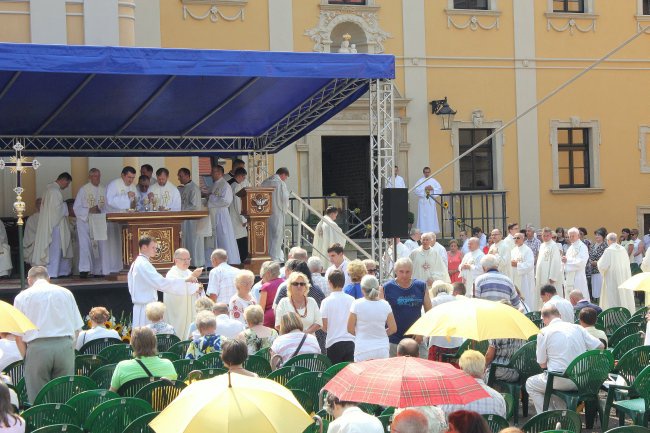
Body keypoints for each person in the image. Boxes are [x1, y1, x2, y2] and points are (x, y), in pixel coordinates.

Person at [13, 266, 83, 403]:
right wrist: (70, 348)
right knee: (65, 397)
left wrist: (26, 357)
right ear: (49, 279)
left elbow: (18, 336)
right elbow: (77, 329)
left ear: (29, 280)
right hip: (64, 346)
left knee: (38, 400)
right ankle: (64, 423)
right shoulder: (66, 293)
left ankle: (41, 423)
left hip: (37, 348)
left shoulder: (22, 297)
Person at [525, 305, 603, 413]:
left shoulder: (544, 332)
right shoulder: (577, 327)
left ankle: (549, 416)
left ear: (544, 318)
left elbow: (542, 364)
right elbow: (600, 346)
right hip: (583, 380)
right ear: (560, 315)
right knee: (551, 382)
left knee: (531, 383)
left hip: (560, 380)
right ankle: (561, 415)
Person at [128, 236, 201, 328]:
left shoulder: (140, 262)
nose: (155, 250)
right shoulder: (143, 264)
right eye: (153, 247)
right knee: (145, 338)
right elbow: (160, 282)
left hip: (145, 306)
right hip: (145, 308)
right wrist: (185, 280)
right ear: (144, 247)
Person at [383, 258, 432, 358]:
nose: (404, 275)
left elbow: (429, 313)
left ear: (412, 272)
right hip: (394, 341)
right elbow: (381, 315)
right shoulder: (386, 288)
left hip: (416, 340)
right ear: (395, 271)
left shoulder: (420, 286)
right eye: (401, 271)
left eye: (407, 272)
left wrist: (421, 332)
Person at [439, 350, 507, 417]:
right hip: (487, 428)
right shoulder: (499, 399)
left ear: (461, 369)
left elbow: (441, 422)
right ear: (484, 370)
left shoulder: (448, 399)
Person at [109, 327, 177, 392]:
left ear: (133, 344)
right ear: (154, 342)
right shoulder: (168, 364)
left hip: (133, 404)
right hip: (162, 404)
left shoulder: (122, 366)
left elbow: (112, 393)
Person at [32, 172, 73, 278]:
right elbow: (56, 212)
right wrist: (65, 205)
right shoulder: (55, 192)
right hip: (55, 227)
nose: (67, 186)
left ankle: (58, 271)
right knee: (55, 249)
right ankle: (53, 273)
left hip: (48, 224)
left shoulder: (48, 190)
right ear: (64, 180)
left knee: (55, 249)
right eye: (67, 184)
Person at [348, 275, 396, 362]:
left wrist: (361, 334)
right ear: (378, 288)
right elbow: (393, 329)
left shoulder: (356, 304)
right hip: (382, 348)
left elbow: (350, 329)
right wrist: (381, 333)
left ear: (362, 289)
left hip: (363, 349)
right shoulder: (385, 305)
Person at [72, 168, 108, 278]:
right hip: (85, 222)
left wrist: (102, 210)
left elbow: (107, 206)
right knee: (85, 245)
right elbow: (76, 207)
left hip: (99, 221)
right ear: (90, 177)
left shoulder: (103, 189)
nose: (98, 178)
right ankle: (84, 269)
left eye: (99, 176)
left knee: (100, 245)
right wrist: (89, 210)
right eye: (95, 176)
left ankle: (99, 270)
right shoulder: (84, 190)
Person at [165, 248, 203, 339]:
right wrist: (192, 278)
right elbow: (177, 288)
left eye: (188, 259)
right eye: (183, 259)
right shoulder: (171, 274)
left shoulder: (189, 272)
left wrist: (199, 289)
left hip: (190, 309)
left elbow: (193, 288)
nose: (186, 262)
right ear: (176, 260)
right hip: (178, 312)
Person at [105, 166, 138, 273]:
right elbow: (109, 201)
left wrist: (134, 203)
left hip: (128, 220)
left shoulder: (133, 186)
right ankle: (113, 268)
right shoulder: (114, 185)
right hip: (114, 221)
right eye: (129, 177)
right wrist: (126, 197)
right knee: (114, 244)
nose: (131, 180)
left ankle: (126, 266)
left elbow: (135, 202)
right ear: (122, 175)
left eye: (133, 178)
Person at [207, 165, 241, 264]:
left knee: (224, 238)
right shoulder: (215, 184)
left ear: (219, 173)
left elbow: (226, 201)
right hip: (214, 214)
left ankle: (229, 260)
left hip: (222, 215)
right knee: (215, 238)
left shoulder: (225, 185)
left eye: (213, 172)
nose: (211, 174)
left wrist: (211, 198)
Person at [320, 270, 355, 364]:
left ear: (329, 282)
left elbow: (324, 325)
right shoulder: (352, 300)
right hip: (350, 341)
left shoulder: (326, 301)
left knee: (334, 374)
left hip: (333, 342)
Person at [484, 304, 525, 382]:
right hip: (518, 372)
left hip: (499, 371)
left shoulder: (497, 332)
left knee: (478, 376)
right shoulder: (520, 331)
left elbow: (489, 356)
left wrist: (482, 367)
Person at [275, 272, 322, 338]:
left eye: (302, 284)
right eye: (295, 283)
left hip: (308, 342)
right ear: (290, 286)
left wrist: (304, 334)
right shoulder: (283, 302)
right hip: (289, 342)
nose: (299, 286)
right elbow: (278, 325)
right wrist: (294, 336)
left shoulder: (312, 301)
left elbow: (318, 322)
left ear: (306, 287)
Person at [599, 232, 636, 314]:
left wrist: (598, 264)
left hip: (612, 278)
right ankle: (625, 313)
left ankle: (614, 315)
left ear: (608, 240)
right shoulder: (622, 249)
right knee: (623, 295)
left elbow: (602, 266)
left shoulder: (608, 250)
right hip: (623, 277)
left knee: (613, 296)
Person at [177, 168, 206, 269]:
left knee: (194, 242)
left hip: (193, 221)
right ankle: (189, 262)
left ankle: (197, 263)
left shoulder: (194, 188)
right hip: (186, 219)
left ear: (187, 175)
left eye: (180, 176)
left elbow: (195, 206)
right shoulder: (185, 187)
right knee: (188, 241)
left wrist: (181, 209)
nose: (179, 178)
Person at [427, 282, 463, 361]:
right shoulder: (456, 300)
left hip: (437, 340)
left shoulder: (433, 302)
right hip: (456, 340)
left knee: (437, 368)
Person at [261, 167, 290, 262]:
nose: (285, 179)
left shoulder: (265, 182)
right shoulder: (280, 183)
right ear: (283, 175)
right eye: (285, 177)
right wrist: (285, 209)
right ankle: (275, 256)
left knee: (268, 234)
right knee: (278, 234)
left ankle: (268, 254)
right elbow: (285, 198)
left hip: (266, 212)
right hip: (278, 212)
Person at [510, 232, 537, 311]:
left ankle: (527, 311)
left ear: (523, 239)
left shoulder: (527, 250)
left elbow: (530, 265)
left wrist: (517, 265)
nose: (516, 239)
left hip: (524, 279)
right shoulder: (513, 250)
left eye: (518, 238)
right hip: (514, 277)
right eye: (514, 238)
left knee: (525, 296)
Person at [227, 166, 249, 262]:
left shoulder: (231, 185)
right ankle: (241, 260)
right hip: (237, 218)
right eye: (244, 177)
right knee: (240, 240)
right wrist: (243, 219)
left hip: (233, 216)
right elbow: (238, 204)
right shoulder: (236, 187)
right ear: (240, 176)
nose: (244, 180)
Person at [563, 227, 590, 301]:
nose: (571, 238)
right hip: (569, 277)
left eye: (573, 236)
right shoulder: (570, 248)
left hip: (578, 277)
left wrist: (567, 261)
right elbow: (566, 263)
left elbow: (581, 262)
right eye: (570, 236)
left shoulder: (582, 247)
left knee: (580, 297)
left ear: (578, 236)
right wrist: (564, 261)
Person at [535, 227, 564, 297]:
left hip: (550, 277)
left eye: (547, 235)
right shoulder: (542, 245)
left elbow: (556, 262)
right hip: (541, 275)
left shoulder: (554, 246)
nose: (545, 237)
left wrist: (553, 277)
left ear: (551, 235)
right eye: (544, 235)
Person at [414, 167, 442, 233]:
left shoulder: (433, 181)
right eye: (425, 172)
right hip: (423, 202)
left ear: (430, 172)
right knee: (423, 217)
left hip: (431, 202)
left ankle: (431, 231)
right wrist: (424, 189)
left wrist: (432, 188)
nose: (427, 174)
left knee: (431, 217)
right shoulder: (420, 181)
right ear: (423, 173)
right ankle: (423, 231)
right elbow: (415, 190)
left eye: (428, 172)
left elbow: (439, 189)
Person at [258, 261, 283, 328]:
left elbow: (261, 309)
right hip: (284, 317)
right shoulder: (285, 282)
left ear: (268, 273)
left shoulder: (266, 286)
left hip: (269, 320)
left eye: (263, 274)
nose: (262, 277)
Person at [589, 228, 608, 301]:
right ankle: (596, 298)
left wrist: (597, 262)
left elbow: (605, 257)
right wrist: (591, 261)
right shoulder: (593, 245)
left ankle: (601, 299)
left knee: (600, 284)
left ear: (603, 236)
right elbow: (589, 254)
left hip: (601, 269)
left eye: (599, 235)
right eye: (596, 235)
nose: (597, 236)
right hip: (593, 269)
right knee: (595, 284)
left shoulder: (605, 245)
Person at [23, 198, 41, 268]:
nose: (41, 205)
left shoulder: (49, 217)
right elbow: (29, 232)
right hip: (34, 242)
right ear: (36, 206)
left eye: (42, 203)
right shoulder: (31, 218)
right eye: (39, 203)